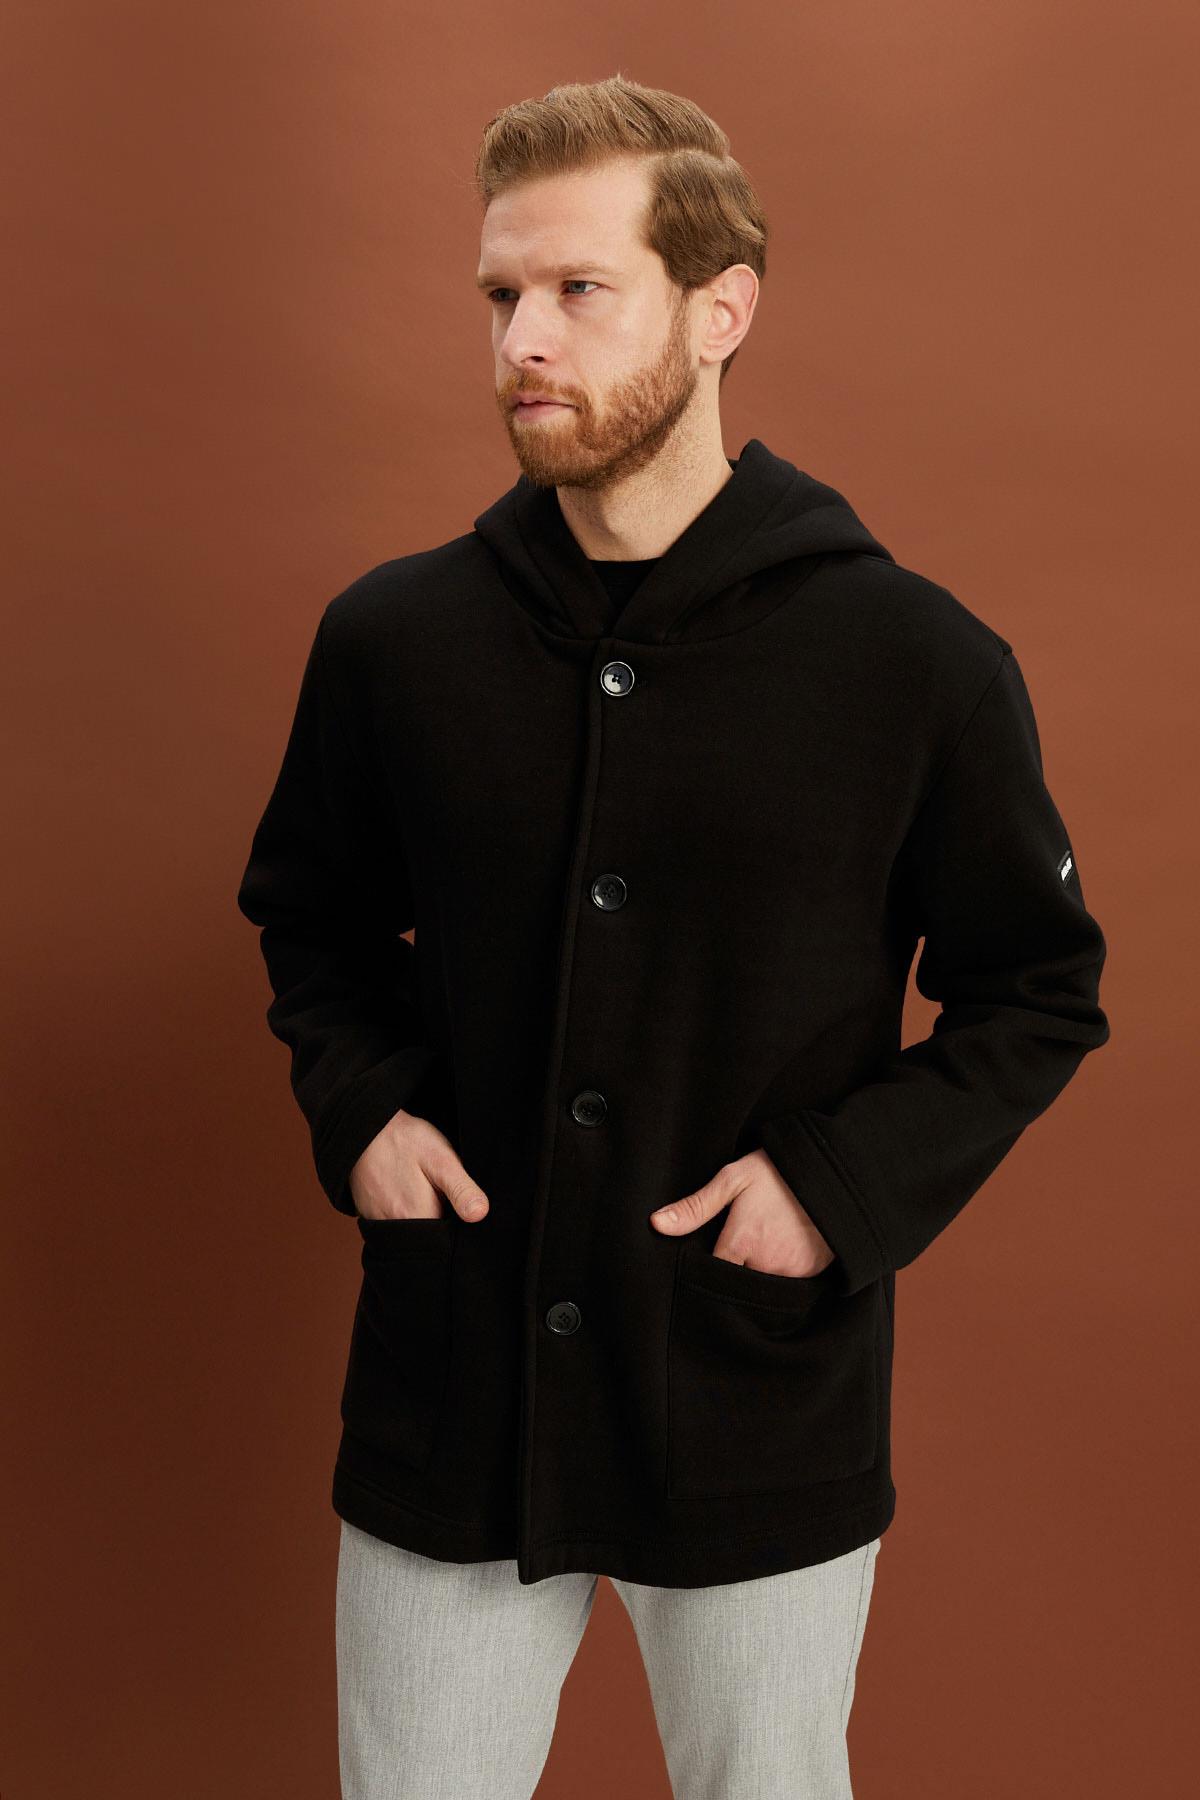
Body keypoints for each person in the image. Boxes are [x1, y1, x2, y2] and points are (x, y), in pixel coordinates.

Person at [235, 72, 1110, 1800]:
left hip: (749, 1389)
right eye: (501, 293)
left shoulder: (915, 663)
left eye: (580, 289)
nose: (522, 342)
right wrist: (361, 1108)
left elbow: (1039, 991)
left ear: (723, 313)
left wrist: (835, 1193)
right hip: (454, 1383)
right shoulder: (394, 641)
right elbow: (307, 916)